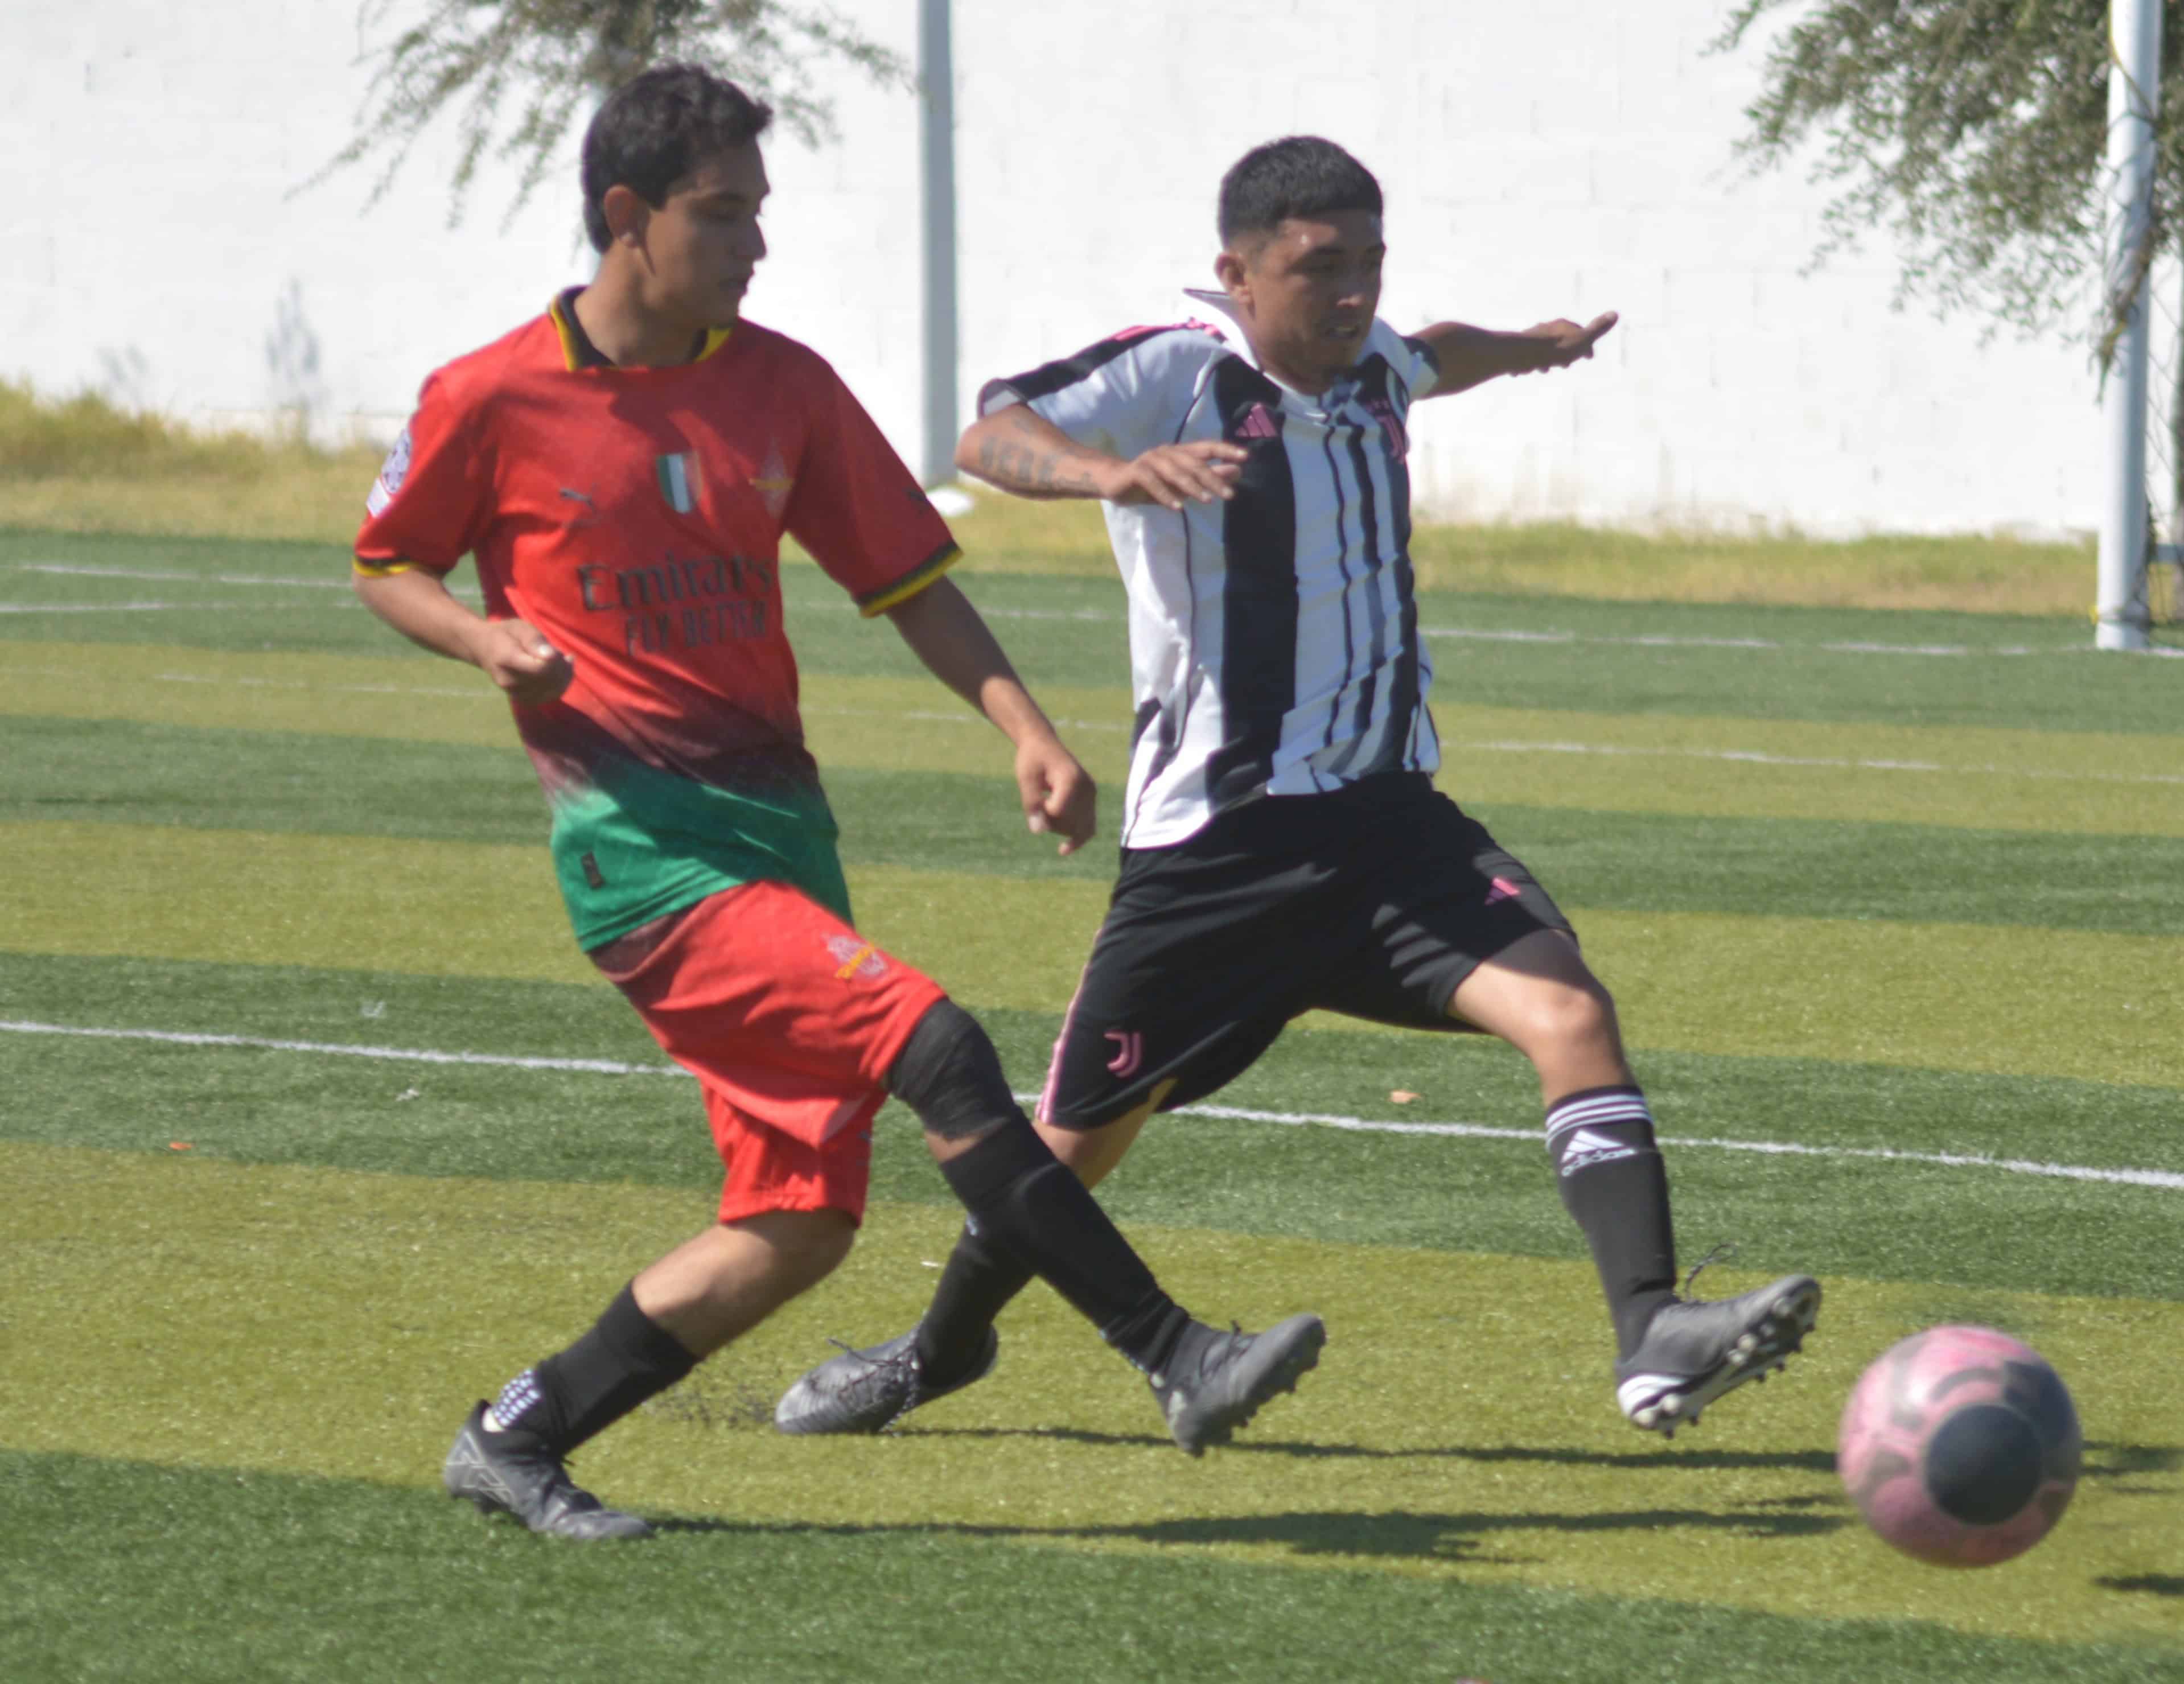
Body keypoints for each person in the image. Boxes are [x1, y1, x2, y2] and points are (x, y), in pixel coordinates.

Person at [351, 68, 1325, 1539]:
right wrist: (483, 636)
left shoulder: (781, 384)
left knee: (798, 1226)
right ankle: (1175, 1354)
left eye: (760, 213)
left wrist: (1026, 729)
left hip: (782, 849)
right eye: (721, 214)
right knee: (933, 1041)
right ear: (626, 219)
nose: (754, 245)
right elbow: (387, 560)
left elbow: (907, 581)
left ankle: (518, 1433)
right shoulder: (491, 397)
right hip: (645, 868)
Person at [777, 134, 1819, 1444]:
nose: (1351, 293)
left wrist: (1539, 345)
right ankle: (931, 1355)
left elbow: (1440, 351)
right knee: (1069, 1151)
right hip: (1217, 851)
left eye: (1367, 263)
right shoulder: (1175, 369)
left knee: (1567, 1013)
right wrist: (1109, 471)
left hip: (1390, 827)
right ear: (1237, 271)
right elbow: (989, 430)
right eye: (1318, 267)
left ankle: (1652, 1333)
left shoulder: (1374, 360)